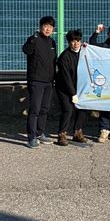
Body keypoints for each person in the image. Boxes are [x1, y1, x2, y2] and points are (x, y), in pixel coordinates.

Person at [22, 16, 57, 148]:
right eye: (46, 26)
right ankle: (31, 137)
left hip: (49, 81)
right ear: (40, 26)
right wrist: (32, 39)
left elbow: (54, 61)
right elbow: (26, 50)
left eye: (51, 27)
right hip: (36, 80)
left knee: (44, 109)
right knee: (35, 109)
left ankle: (39, 133)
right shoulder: (34, 39)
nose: (48, 29)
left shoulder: (52, 42)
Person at [56, 30, 88, 146]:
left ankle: (77, 132)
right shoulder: (64, 57)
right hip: (64, 88)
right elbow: (66, 78)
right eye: (73, 41)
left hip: (80, 87)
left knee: (83, 108)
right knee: (68, 110)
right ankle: (62, 134)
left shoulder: (85, 53)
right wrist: (73, 93)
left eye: (78, 41)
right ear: (69, 42)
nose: (76, 44)